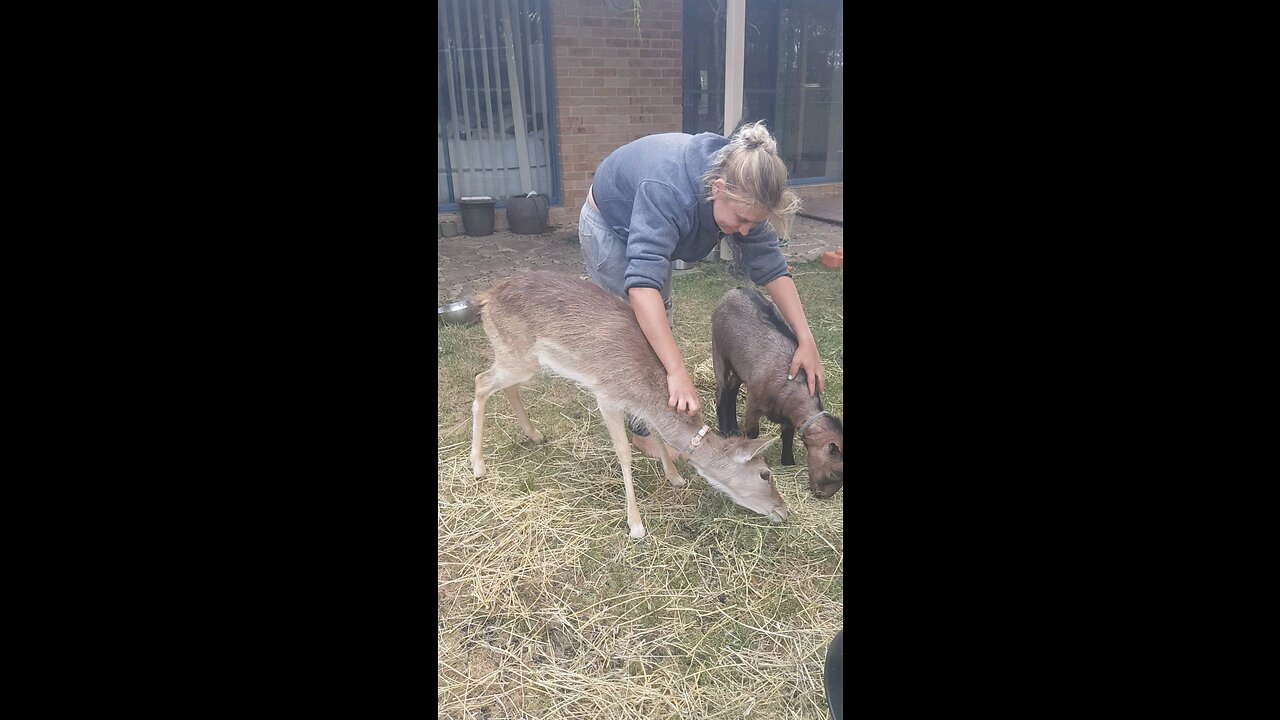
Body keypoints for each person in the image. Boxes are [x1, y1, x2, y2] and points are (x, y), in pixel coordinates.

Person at [578, 121, 825, 459]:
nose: (744, 231)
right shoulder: (670, 191)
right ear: (718, 188)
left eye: (753, 223)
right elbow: (641, 286)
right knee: (632, 331)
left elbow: (773, 268)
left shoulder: (745, 192)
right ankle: (643, 430)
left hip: (651, 214)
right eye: (740, 220)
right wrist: (678, 372)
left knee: (658, 321)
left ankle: (656, 405)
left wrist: (806, 339)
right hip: (610, 223)